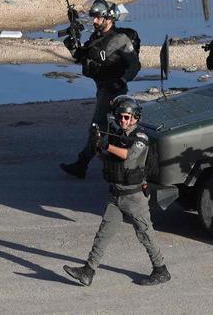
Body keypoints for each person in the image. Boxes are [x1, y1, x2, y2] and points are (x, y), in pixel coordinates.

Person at [63, 96, 171, 287]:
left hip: (134, 197)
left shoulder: (140, 139)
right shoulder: (118, 137)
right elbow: (111, 162)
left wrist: (106, 145)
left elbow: (127, 157)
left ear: (135, 118)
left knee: (145, 234)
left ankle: (161, 269)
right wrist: (97, 149)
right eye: (120, 117)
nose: (123, 121)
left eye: (127, 118)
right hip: (116, 195)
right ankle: (88, 271)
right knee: (104, 233)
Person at [60, 0, 141, 179]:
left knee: (97, 128)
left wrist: (121, 80)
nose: (94, 21)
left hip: (112, 90)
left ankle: (84, 164)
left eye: (98, 18)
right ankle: (115, 161)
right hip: (101, 87)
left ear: (109, 18)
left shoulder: (120, 39)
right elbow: (86, 58)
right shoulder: (96, 38)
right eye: (93, 17)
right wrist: (73, 47)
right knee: (109, 129)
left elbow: (134, 65)